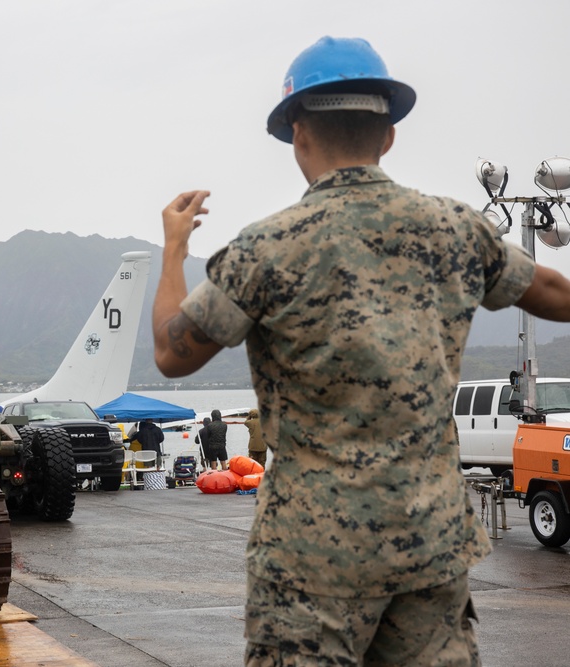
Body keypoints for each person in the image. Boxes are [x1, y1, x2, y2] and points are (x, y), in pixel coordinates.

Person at [152, 36, 570, 665]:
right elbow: (555, 293)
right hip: (430, 544)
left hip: (310, 558)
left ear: (298, 134)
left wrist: (175, 250)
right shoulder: (457, 229)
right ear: (390, 135)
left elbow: (171, 354)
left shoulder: (264, 249)